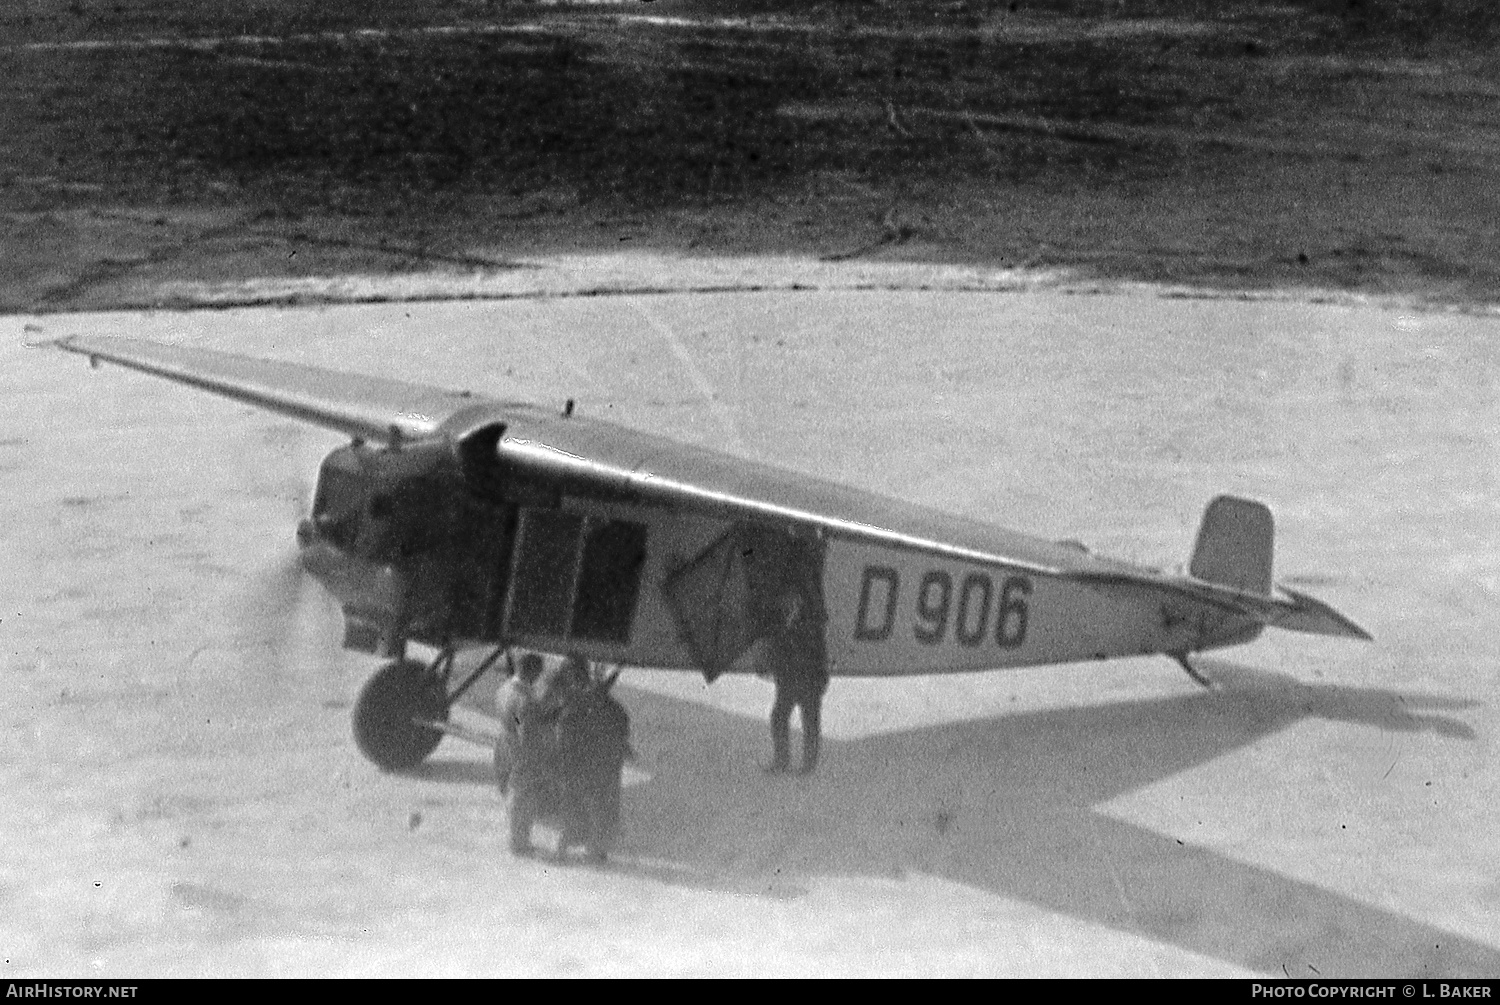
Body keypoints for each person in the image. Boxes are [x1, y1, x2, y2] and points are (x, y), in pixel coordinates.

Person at [763, 590, 830, 776]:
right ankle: (783, 761)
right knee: (781, 717)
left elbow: (819, 653)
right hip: (790, 680)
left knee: (808, 722)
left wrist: (821, 678)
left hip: (807, 679)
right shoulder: (785, 624)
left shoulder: (808, 624)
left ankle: (806, 765)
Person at [497, 652, 553, 856]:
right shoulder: (526, 699)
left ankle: (516, 840)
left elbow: (515, 719)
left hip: (505, 743)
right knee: (523, 798)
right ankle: (519, 842)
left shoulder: (505, 689)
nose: (539, 678)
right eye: (538, 673)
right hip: (523, 751)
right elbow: (525, 728)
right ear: (531, 671)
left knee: (513, 793)